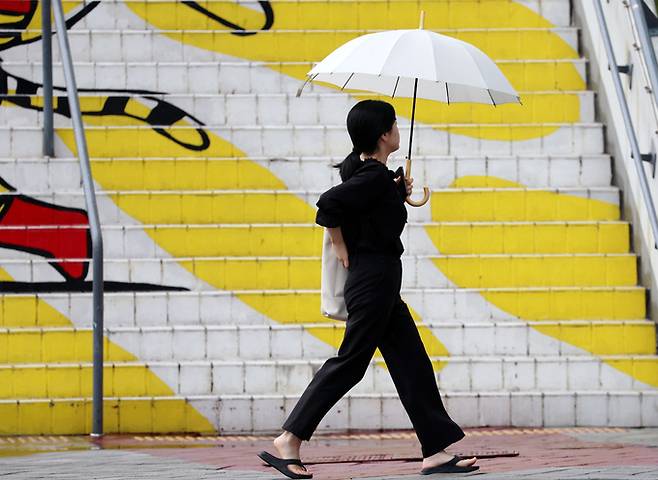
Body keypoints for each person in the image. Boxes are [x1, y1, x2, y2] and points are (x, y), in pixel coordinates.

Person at [258, 100, 478, 478]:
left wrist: (397, 190)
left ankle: (435, 451)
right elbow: (328, 205)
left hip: (381, 285)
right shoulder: (372, 178)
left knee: (412, 363)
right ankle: (289, 440)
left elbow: (364, 207)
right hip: (373, 281)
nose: (398, 129)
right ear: (383, 134)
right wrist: (341, 245)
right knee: (350, 364)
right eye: (394, 124)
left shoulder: (372, 175)